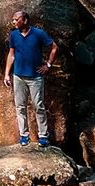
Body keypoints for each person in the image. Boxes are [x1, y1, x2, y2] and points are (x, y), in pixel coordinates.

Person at [3, 9, 58, 147]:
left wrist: (48, 65)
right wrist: (6, 74)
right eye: (13, 20)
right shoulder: (14, 35)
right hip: (18, 76)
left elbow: (54, 47)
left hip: (35, 77)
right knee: (20, 106)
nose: (14, 22)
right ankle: (24, 135)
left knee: (38, 106)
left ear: (25, 20)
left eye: (17, 19)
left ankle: (43, 136)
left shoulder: (38, 34)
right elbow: (11, 54)